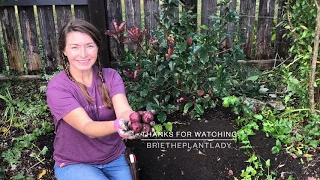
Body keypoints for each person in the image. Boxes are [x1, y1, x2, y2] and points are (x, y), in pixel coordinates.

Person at [46, 19, 140, 180]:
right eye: (74, 47)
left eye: (89, 46)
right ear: (64, 51)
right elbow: (87, 127)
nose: (83, 54)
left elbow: (123, 110)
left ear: (97, 47)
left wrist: (133, 120)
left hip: (114, 158)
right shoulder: (58, 87)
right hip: (74, 163)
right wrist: (118, 125)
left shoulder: (111, 77)